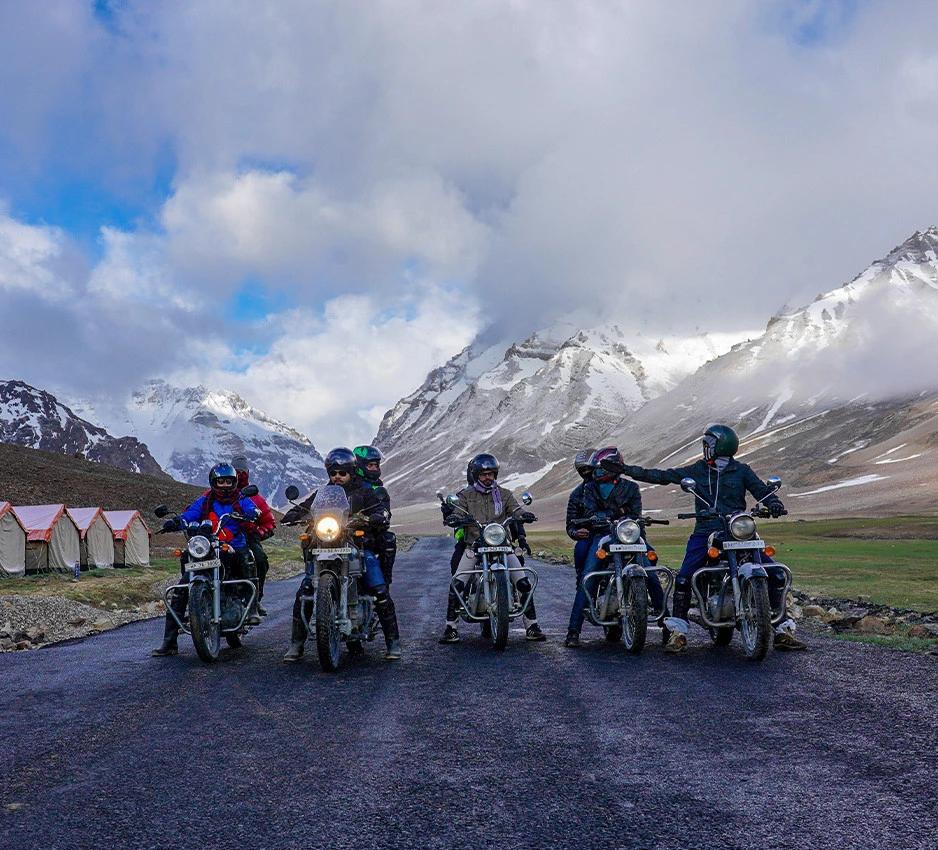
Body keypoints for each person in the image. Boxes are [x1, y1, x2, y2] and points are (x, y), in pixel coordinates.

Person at [601, 424, 806, 653]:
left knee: (776, 574)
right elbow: (662, 476)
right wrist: (626, 469)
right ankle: (678, 632)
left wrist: (774, 503)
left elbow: (761, 491)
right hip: (706, 531)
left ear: (718, 446)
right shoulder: (698, 470)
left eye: (708, 444)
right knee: (684, 578)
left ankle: (781, 631)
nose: (705, 449)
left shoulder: (742, 470)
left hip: (738, 530)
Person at [282, 447, 401, 662]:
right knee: (305, 591)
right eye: (333, 473)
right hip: (324, 548)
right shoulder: (322, 494)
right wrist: (293, 514)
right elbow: (305, 507)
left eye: (342, 473)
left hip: (358, 547)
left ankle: (393, 642)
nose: (337, 477)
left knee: (379, 589)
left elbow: (380, 509)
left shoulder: (364, 493)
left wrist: (376, 516)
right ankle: (296, 644)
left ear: (352, 472)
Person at [151, 463, 260, 656]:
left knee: (247, 559)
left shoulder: (241, 499)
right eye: (221, 481)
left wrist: (252, 513)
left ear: (235, 482)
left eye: (229, 481)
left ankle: (252, 609)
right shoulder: (205, 500)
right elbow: (189, 514)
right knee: (182, 587)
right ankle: (169, 642)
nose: (225, 485)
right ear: (213, 482)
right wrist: (177, 521)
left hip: (233, 544)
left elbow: (252, 509)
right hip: (207, 546)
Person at [564, 447, 665, 648]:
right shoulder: (589, 488)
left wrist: (618, 516)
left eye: (603, 468)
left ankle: (668, 627)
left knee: (652, 575)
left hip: (631, 537)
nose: (598, 471)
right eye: (598, 468)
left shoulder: (631, 487)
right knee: (589, 576)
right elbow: (593, 513)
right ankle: (573, 631)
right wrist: (618, 512)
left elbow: (635, 515)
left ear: (615, 466)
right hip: (601, 537)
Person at [439, 453, 545, 643]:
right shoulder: (466, 495)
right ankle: (451, 627)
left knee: (523, 582)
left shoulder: (504, 494)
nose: (488, 478)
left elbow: (515, 509)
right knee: (458, 582)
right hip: (475, 546)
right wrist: (454, 517)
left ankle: (532, 625)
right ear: (476, 475)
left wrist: (524, 514)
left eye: (491, 474)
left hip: (502, 546)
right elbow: (457, 511)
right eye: (483, 474)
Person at [231, 455, 276, 617]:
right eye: (236, 471)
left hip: (248, 538)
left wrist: (256, 533)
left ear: (248, 473)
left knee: (260, 560)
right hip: (222, 538)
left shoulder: (255, 498)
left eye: (242, 471)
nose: (239, 474)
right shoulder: (217, 494)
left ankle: (255, 599)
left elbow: (270, 523)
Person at [353, 445, 397, 585]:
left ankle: (384, 583)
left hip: (368, 532)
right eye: (370, 465)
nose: (374, 468)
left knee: (387, 539)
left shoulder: (378, 489)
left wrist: (379, 517)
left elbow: (385, 511)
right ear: (359, 465)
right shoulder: (347, 484)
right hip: (341, 531)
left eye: (376, 465)